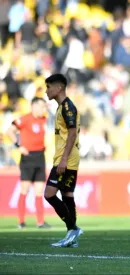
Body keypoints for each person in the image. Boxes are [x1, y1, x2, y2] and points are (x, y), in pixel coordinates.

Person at [44, 73, 83, 248]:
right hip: (69, 158)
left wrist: (63, 160)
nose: (46, 91)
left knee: (49, 194)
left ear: (58, 88)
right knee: (67, 195)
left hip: (65, 159)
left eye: (48, 87)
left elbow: (72, 133)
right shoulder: (62, 107)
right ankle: (72, 236)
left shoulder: (67, 107)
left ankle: (72, 228)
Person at [6, 97, 51, 229]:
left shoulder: (43, 119)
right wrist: (18, 145)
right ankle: (21, 221)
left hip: (40, 156)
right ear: (35, 106)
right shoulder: (25, 118)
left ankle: (40, 222)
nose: (44, 109)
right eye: (42, 106)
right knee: (24, 189)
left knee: (39, 191)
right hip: (28, 157)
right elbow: (9, 131)